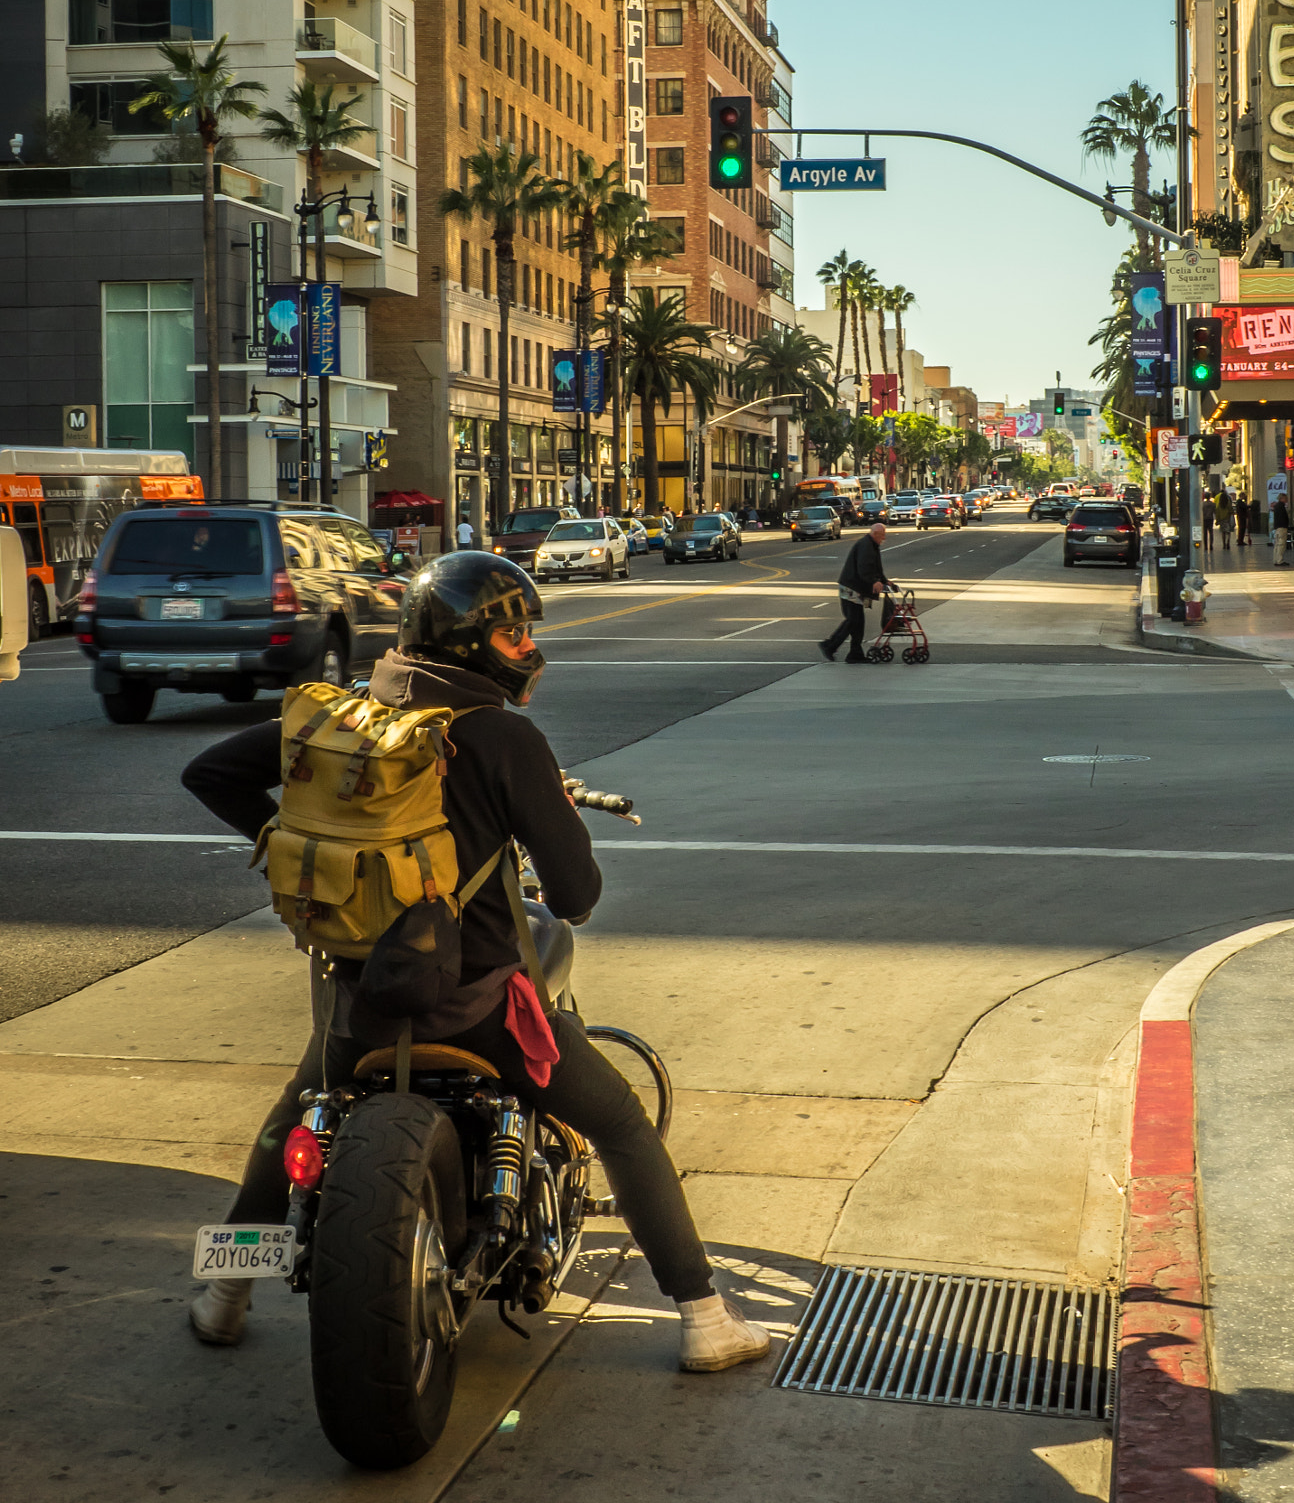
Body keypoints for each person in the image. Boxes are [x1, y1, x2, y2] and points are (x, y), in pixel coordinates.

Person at [179, 553, 769, 1375]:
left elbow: (207, 772)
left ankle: (224, 1295)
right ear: (469, 642)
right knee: (623, 1125)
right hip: (481, 1011)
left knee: (292, 1122)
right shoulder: (500, 735)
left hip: (361, 1008)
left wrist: (283, 843)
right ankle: (705, 1317)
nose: (525, 646)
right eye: (512, 629)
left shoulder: (353, 716)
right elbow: (573, 894)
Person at [819, 521, 888, 664]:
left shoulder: (872, 545)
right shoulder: (866, 546)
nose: (884, 539)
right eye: (882, 536)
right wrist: (874, 582)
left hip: (856, 589)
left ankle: (855, 653)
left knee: (858, 622)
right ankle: (830, 645)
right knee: (853, 620)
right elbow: (864, 569)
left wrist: (885, 581)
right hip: (851, 588)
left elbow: (876, 568)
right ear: (875, 534)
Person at [1271, 493, 1292, 567]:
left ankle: (1276, 560)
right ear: (1282, 498)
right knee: (1281, 544)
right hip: (1281, 528)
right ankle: (1280, 560)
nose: (1287, 500)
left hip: (1277, 528)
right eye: (1286, 498)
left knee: (1277, 544)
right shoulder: (1281, 507)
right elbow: (1283, 518)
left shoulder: (1277, 506)